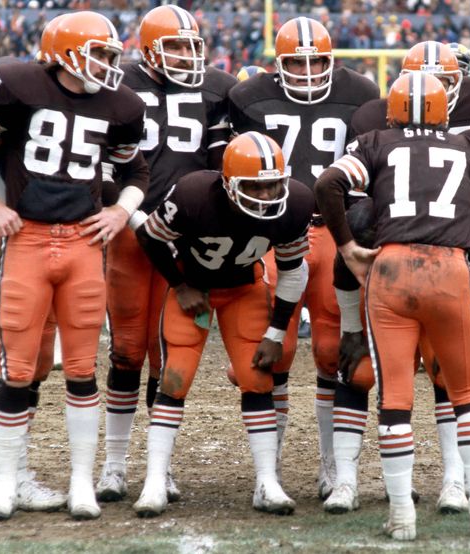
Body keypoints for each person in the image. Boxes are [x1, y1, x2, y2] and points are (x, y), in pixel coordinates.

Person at [315, 71, 470, 540]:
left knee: (395, 399)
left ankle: (402, 515)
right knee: (467, 394)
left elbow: (327, 185)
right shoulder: (468, 148)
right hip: (450, 267)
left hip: (391, 268)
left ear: (393, 110)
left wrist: (344, 246)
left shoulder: (376, 141)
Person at [0, 11, 148, 520]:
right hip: (26, 237)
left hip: (81, 244)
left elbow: (135, 167)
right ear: (64, 51)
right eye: (99, 53)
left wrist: (121, 210)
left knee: (80, 368)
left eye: (111, 55)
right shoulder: (17, 84)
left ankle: (81, 485)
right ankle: (5, 483)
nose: (109, 65)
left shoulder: (121, 105)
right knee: (17, 368)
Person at [228, 16, 379, 499]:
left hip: (335, 231)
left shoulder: (361, 92)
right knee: (272, 350)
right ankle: (266, 474)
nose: (309, 71)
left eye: (317, 61)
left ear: (332, 60)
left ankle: (334, 467)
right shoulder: (248, 98)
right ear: (278, 63)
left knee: (336, 352)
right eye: (297, 61)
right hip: (276, 234)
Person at [95, 4, 237, 504]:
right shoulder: (118, 84)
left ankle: (161, 467)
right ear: (148, 48)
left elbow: (222, 163)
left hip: (187, 235)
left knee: (169, 352)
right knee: (128, 348)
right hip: (132, 228)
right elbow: (102, 166)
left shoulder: (217, 89)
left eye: (192, 45)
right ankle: (113, 466)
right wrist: (134, 217)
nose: (186, 54)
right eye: (175, 45)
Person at [132, 132, 312, 517]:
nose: (267, 196)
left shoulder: (296, 202)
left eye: (274, 185)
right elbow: (148, 235)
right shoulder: (194, 194)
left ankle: (267, 481)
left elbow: (295, 271)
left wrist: (276, 332)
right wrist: (179, 286)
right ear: (229, 183)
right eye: (256, 187)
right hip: (194, 286)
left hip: (244, 289)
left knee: (257, 378)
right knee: (174, 377)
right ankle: (155, 481)